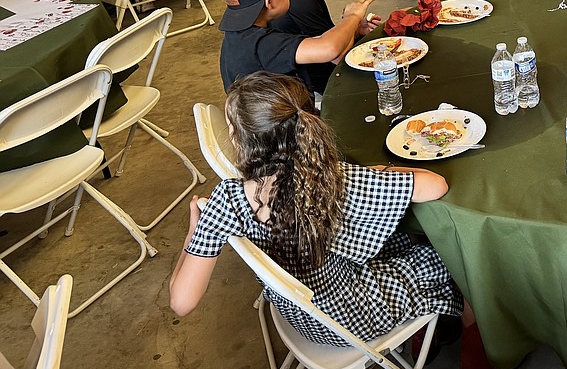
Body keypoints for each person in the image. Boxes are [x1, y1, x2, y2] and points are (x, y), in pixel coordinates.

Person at [169, 71, 463, 349]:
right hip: (353, 317)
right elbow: (435, 186)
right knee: (453, 254)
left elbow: (180, 302)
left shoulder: (227, 199)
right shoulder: (331, 180)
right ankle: (475, 343)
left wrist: (194, 232)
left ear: (241, 142)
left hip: (303, 316)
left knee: (398, 242)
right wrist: (381, 172)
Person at [215, 0, 375, 93]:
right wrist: (352, 16)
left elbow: (318, 43)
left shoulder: (238, 35)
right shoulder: (262, 45)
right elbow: (329, 48)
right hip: (283, 123)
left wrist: (352, 30)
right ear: (270, 1)